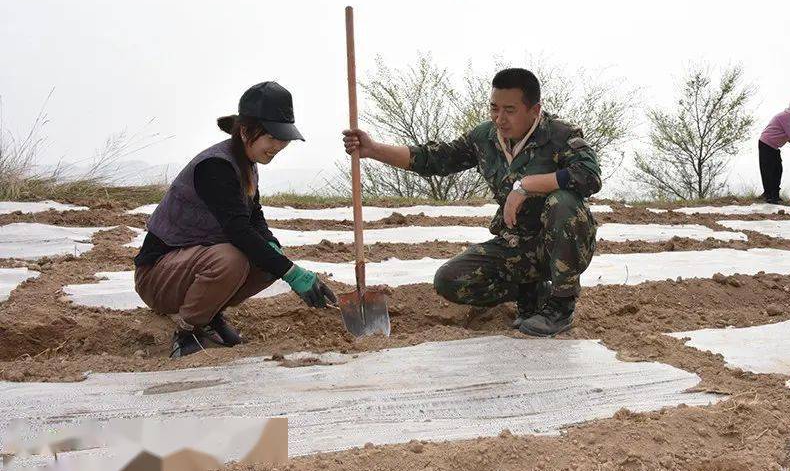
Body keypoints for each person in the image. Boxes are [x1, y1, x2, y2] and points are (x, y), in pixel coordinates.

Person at [342, 68, 601, 337]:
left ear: (534, 110)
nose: (500, 119)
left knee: (563, 202)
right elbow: (435, 159)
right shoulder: (485, 138)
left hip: (562, 244)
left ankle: (560, 306)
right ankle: (533, 292)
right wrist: (373, 150)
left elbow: (589, 176)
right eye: (494, 108)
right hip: (517, 245)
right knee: (450, 280)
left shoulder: (559, 134)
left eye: (510, 110)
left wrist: (526, 186)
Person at [134, 82, 337, 358]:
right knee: (232, 259)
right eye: (272, 137)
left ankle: (209, 315)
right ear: (245, 131)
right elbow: (237, 229)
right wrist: (291, 273)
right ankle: (188, 330)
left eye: (284, 138)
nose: (278, 146)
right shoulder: (216, 167)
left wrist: (273, 247)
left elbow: (254, 216)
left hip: (190, 267)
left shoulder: (247, 163)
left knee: (268, 258)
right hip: (158, 275)